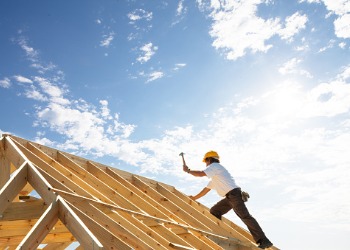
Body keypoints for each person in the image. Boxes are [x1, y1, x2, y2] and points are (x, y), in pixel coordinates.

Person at [183, 150, 273, 249]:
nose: (205, 164)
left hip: (234, 195)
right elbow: (206, 190)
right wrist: (194, 198)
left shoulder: (215, 167)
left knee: (245, 217)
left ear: (209, 159)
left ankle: (264, 241)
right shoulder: (216, 176)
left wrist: (188, 171)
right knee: (215, 211)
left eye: (205, 161)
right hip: (230, 197)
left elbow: (200, 174)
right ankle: (219, 232)